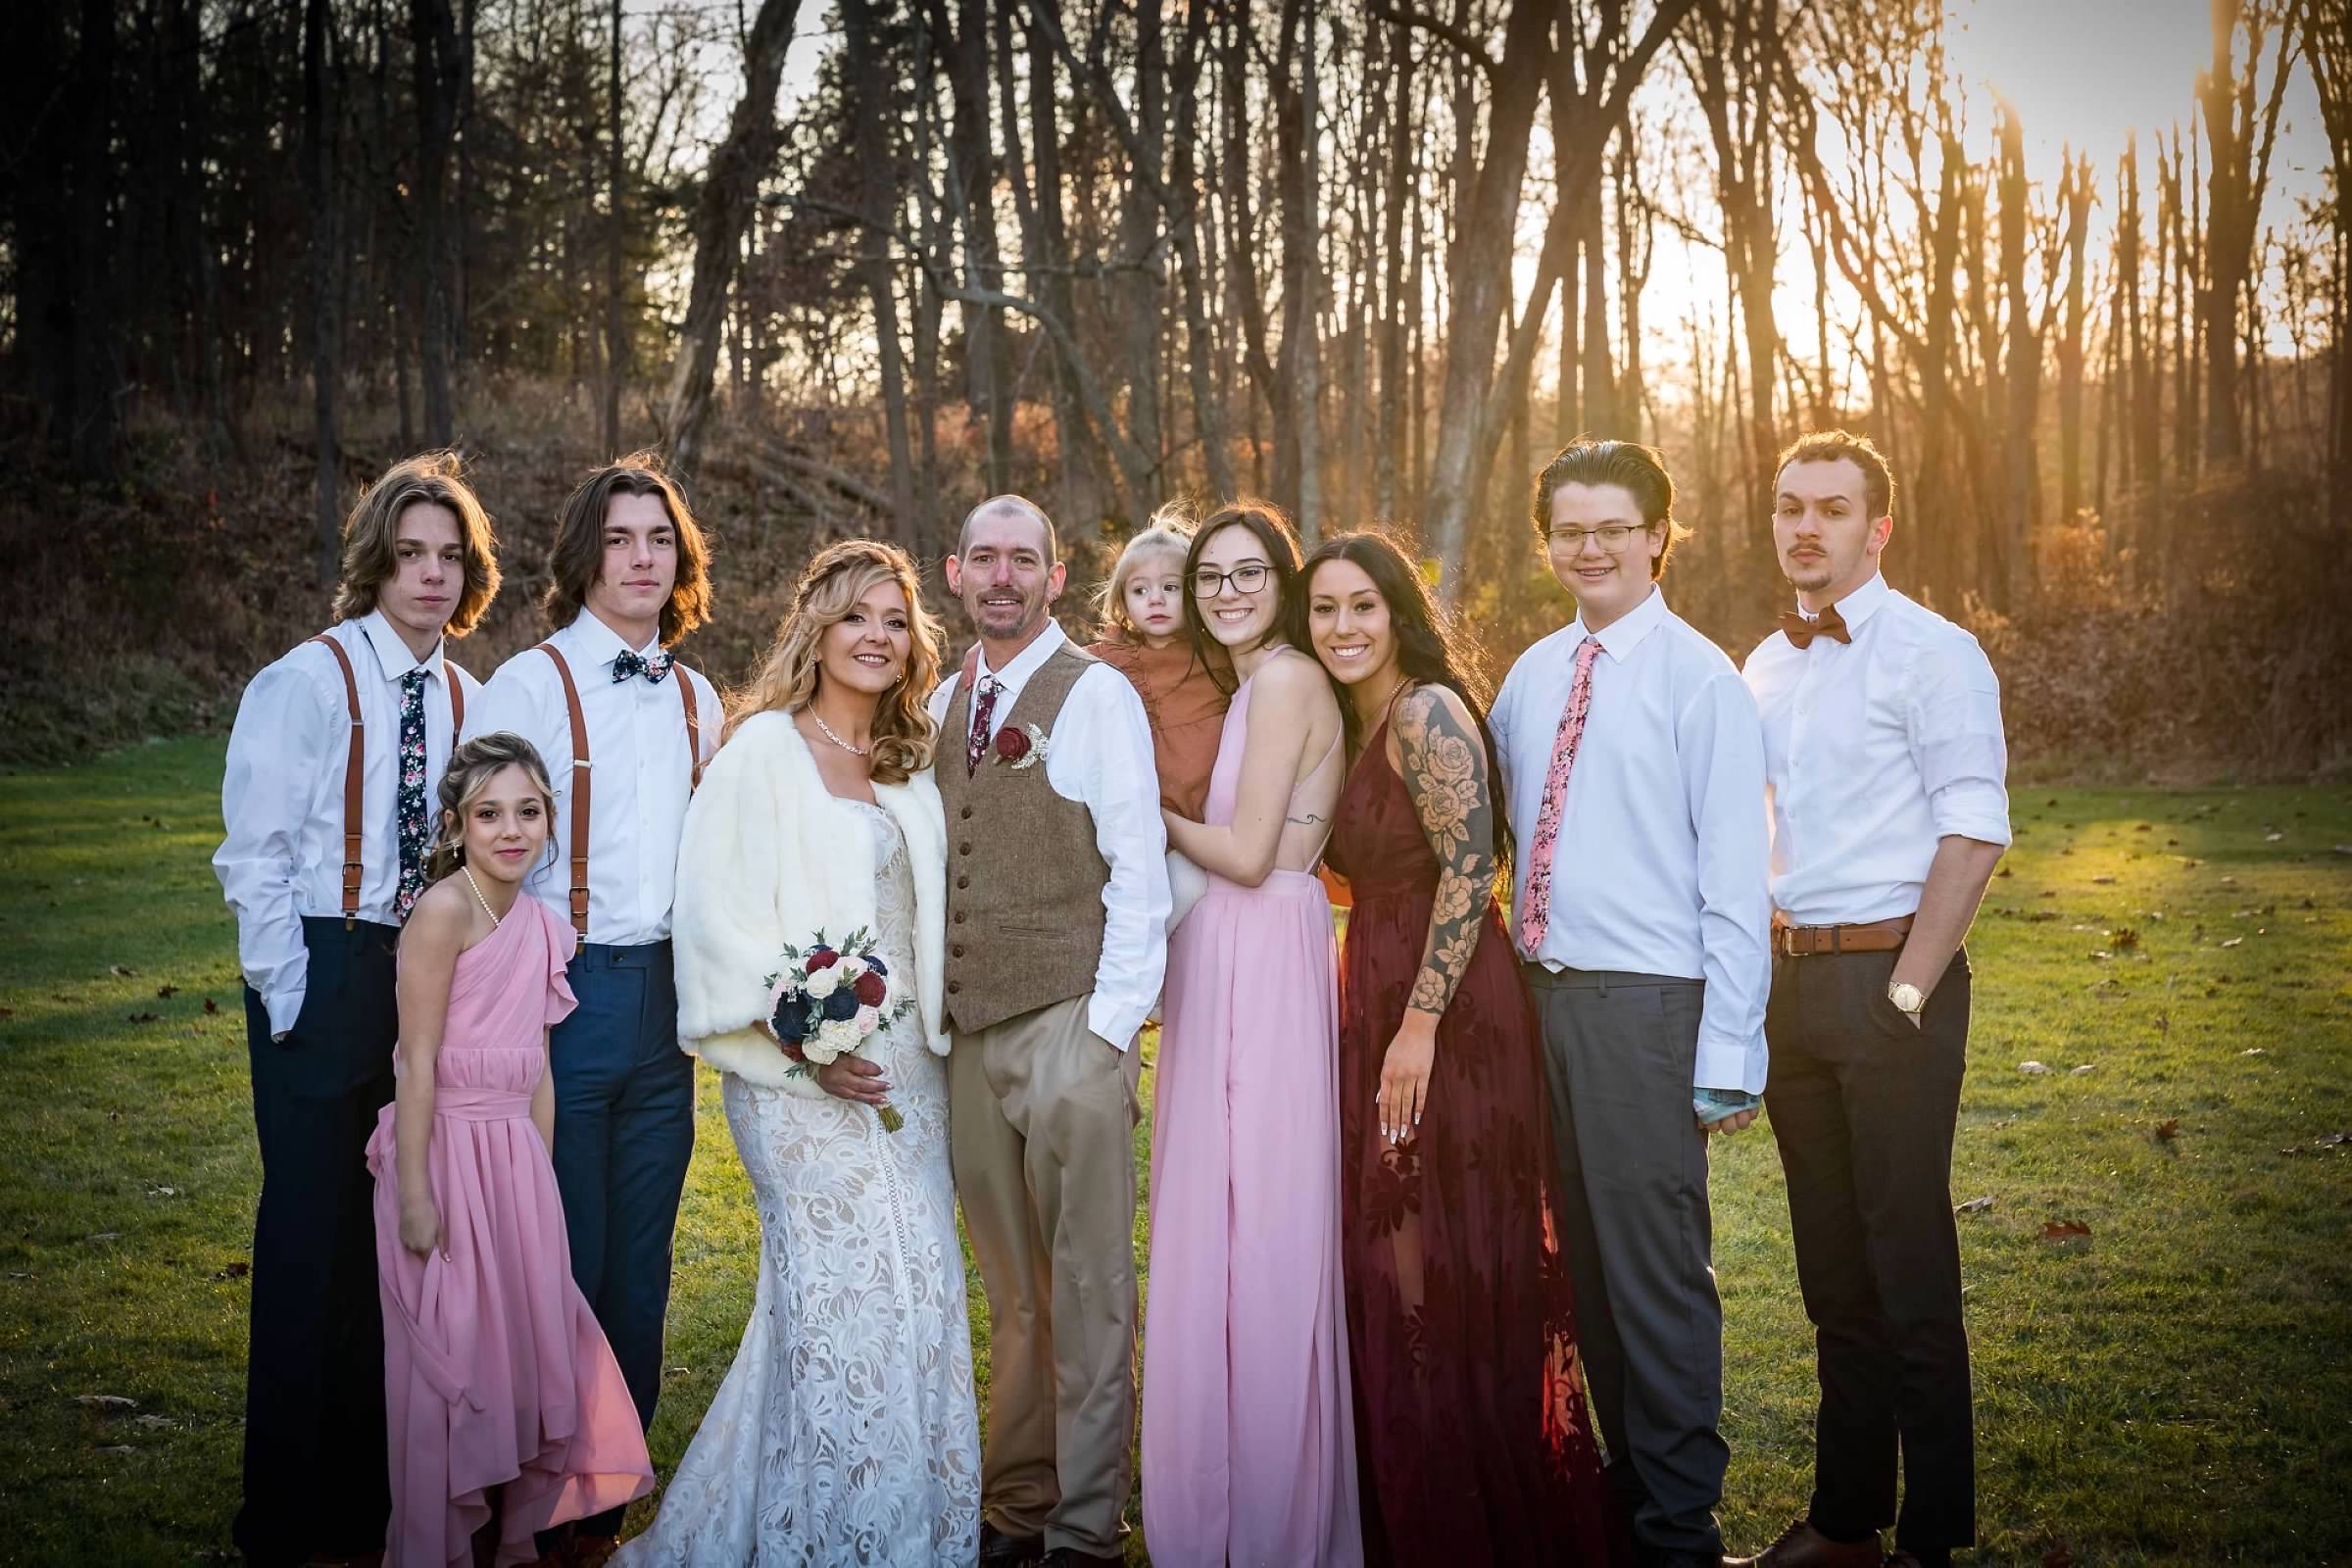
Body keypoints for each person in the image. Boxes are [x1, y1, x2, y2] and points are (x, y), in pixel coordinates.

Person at [616, 540, 981, 1564]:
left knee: (921, 1290)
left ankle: (893, 1526)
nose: (877, 636)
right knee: (847, 1302)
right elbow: (713, 922)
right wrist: (806, 1049)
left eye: (895, 620)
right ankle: (851, 1537)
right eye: (856, 615)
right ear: (816, 631)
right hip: (798, 1085)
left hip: (913, 1080)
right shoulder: (761, 754)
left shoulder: (910, 762)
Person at [1302, 530, 1621, 1566]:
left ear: (1398, 612)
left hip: (1448, 1010)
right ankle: (1416, 1503)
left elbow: (1471, 866)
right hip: (1378, 988)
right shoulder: (1346, 718)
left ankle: (1478, 1505)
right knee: (1395, 1251)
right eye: (1324, 609)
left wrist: (1420, 1024)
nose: (1343, 626)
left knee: (1440, 1248)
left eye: (1362, 605)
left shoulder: (1425, 710)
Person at [214, 451, 500, 1567]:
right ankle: (282, 1516)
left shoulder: (472, 696)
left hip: (428, 970)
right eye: (411, 553)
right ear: (376, 562)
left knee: (396, 1238)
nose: (430, 575)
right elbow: (255, 852)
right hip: (325, 965)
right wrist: (291, 997)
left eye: (450, 557)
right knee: (308, 1235)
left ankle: (369, 1497)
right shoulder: (310, 678)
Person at [1491, 438, 1773, 1568]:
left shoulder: (1702, 679)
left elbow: (1736, 880)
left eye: (1615, 527)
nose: (1592, 547)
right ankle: (1624, 1497)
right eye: (1571, 530)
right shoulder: (1530, 675)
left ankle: (1681, 1529)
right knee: (1582, 1269)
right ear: (1547, 543)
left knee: (1654, 1273)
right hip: (1539, 1003)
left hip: (1647, 1007)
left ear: (1659, 535)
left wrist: (1730, 1051)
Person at [1741, 432, 2009, 1568]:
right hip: (1791, 988)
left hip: (1893, 983)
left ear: (1878, 528)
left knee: (1907, 1265)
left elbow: (1975, 828)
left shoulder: (1935, 653)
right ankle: (1847, 1520)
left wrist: (1906, 988)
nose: (1808, 526)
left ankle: (1932, 1541)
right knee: (1831, 1269)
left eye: (1833, 508)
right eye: (1791, 506)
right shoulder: (1763, 663)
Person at [471, 453, 720, 1557]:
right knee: (555, 1261)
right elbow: (478, 854)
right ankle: (526, 1493)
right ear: (585, 556)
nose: (640, 559)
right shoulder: (529, 685)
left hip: (669, 1003)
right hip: (562, 1000)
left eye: (659, 540)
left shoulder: (700, 699)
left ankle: (600, 1506)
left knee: (640, 1267)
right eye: (619, 539)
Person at [927, 495, 1170, 1568]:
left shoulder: (1096, 693)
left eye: (1023, 560)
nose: (1002, 577)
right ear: (954, 573)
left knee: (1090, 1288)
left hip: (1071, 1025)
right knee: (1015, 1293)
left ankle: (1084, 1525)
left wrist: (1105, 1033)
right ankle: (1018, 1504)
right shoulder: (942, 698)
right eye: (984, 558)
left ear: (1055, 577)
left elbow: (1139, 870)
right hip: (971, 1035)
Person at [368, 734, 655, 1567]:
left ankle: (513, 1536)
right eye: (489, 814)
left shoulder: (543, 926)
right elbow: (415, 1060)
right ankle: (435, 1542)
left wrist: (540, 1179)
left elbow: (538, 1068)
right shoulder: (442, 913)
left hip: (515, 1165)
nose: (511, 830)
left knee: (518, 1352)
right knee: (451, 1353)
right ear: (457, 825)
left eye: (528, 812)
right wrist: (415, 1192)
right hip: (445, 1153)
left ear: (549, 822)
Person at [1143, 502, 1360, 1568]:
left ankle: (1269, 1514)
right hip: (1227, 946)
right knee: (1220, 1213)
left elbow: (1247, 852)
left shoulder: (1282, 680)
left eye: (1247, 574)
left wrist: (1136, 808)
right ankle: (1222, 1497)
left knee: (1262, 1218)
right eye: (1209, 577)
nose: (1226, 593)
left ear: (1282, 581)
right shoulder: (1248, 686)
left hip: (1261, 943)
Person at [1084, 514, 1231, 931]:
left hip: (1192, 833)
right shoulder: (1108, 659)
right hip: (1129, 830)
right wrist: (984, 654)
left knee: (1184, 890)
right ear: (1122, 601)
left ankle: (1149, 951)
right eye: (1140, 590)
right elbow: (1051, 666)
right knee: (1118, 909)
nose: (1156, 600)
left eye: (1170, 588)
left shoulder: (1218, 659)